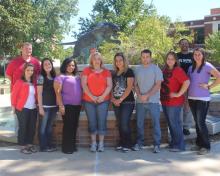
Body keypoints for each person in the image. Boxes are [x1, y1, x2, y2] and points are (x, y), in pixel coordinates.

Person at [188, 48, 220, 155]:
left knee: (201, 122)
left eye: (199, 54)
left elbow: (218, 77)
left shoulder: (207, 65)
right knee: (197, 122)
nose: (197, 56)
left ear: (203, 55)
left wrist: (209, 86)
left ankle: (206, 146)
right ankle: (199, 144)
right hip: (191, 98)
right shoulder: (190, 67)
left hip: (203, 98)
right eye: (195, 54)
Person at [133, 49, 163, 153]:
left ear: (151, 57)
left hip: (153, 101)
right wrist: (140, 95)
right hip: (140, 101)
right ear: (141, 57)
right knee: (139, 123)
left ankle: (157, 144)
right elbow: (135, 85)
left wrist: (147, 95)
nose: (145, 59)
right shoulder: (137, 70)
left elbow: (158, 85)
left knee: (156, 123)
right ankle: (139, 143)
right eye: (143, 57)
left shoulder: (156, 69)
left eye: (147, 57)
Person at [81, 52, 112, 152]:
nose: (97, 61)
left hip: (103, 101)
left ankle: (101, 144)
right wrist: (92, 97)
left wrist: (102, 97)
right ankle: (94, 143)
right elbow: (84, 85)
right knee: (92, 122)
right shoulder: (87, 70)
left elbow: (109, 86)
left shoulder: (106, 72)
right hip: (89, 101)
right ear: (91, 60)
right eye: (95, 59)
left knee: (102, 121)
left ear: (101, 60)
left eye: (98, 59)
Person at [160, 51, 190, 152]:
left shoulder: (178, 70)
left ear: (175, 60)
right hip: (165, 101)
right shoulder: (164, 70)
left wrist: (178, 94)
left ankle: (180, 145)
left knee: (175, 123)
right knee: (170, 123)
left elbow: (187, 82)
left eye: (172, 59)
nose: (170, 61)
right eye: (168, 59)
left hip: (175, 102)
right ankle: (174, 143)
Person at [54, 58, 82, 154]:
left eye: (73, 65)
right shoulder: (60, 77)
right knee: (68, 127)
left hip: (77, 105)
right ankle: (66, 148)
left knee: (74, 126)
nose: (71, 67)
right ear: (65, 66)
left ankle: (72, 146)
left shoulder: (77, 77)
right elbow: (57, 93)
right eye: (69, 65)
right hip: (67, 105)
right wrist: (61, 106)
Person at [11, 63, 38, 154]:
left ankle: (29, 145)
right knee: (23, 127)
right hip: (22, 108)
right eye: (28, 70)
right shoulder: (19, 82)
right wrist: (13, 107)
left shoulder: (33, 82)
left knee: (32, 127)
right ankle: (23, 146)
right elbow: (13, 96)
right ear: (24, 71)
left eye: (31, 70)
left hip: (33, 108)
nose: (30, 72)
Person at [111, 52, 135, 153]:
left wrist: (120, 100)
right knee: (120, 123)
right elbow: (111, 88)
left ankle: (128, 144)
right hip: (116, 102)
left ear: (124, 61)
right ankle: (121, 142)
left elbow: (129, 87)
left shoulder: (129, 71)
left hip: (127, 102)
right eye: (116, 61)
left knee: (125, 123)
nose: (118, 62)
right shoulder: (114, 73)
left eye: (120, 60)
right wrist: (113, 99)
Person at [37, 58, 57, 152]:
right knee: (43, 128)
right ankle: (43, 147)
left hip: (53, 107)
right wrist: (40, 107)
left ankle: (49, 145)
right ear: (42, 66)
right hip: (45, 107)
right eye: (45, 64)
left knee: (49, 128)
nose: (48, 66)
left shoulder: (53, 76)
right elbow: (39, 93)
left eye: (49, 64)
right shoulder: (41, 77)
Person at [176, 38, 193, 135]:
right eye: (182, 43)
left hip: (190, 84)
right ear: (179, 45)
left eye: (186, 43)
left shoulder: (192, 55)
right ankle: (179, 125)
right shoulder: (177, 56)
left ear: (188, 44)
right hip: (178, 84)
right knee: (179, 105)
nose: (184, 45)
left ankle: (186, 127)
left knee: (188, 105)